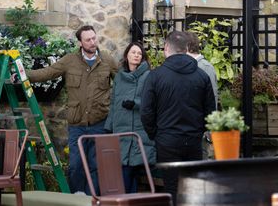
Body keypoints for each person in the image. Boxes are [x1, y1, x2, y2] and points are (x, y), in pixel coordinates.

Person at [25, 25, 118, 195]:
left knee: (96, 165)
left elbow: (122, 81)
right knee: (76, 165)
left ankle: (93, 199)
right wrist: (24, 74)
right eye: (88, 40)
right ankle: (76, 198)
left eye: (94, 38)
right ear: (80, 42)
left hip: (100, 122)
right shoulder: (69, 61)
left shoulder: (107, 60)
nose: (92, 42)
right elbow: (48, 73)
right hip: (77, 124)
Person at [140, 30, 216, 206]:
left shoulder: (155, 76)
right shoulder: (201, 76)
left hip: (167, 140)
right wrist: (199, 131)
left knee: (172, 188)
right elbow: (210, 112)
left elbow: (146, 112)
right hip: (193, 140)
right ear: (186, 48)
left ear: (167, 48)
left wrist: (155, 134)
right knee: (192, 189)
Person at [104, 42, 155, 193]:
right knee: (123, 169)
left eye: (139, 53)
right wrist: (109, 126)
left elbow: (153, 101)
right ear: (127, 55)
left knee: (129, 170)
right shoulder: (119, 77)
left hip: (138, 130)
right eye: (133, 52)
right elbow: (113, 102)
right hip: (120, 129)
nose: (136, 55)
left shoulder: (149, 76)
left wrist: (136, 104)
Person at [185, 31, 218, 160]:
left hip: (200, 128)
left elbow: (212, 98)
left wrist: (209, 129)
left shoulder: (206, 67)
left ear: (187, 46)